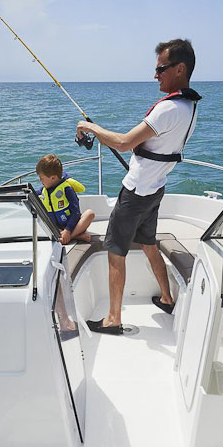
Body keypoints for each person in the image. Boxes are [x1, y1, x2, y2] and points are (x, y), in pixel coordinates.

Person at [76, 39, 201, 335]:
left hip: (135, 193)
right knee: (148, 243)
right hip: (155, 189)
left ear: (180, 69)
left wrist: (89, 126)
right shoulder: (189, 107)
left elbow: (123, 142)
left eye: (161, 68)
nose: (155, 75)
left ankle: (113, 319)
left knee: (115, 252)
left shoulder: (167, 109)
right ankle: (167, 297)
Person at [35, 154, 95, 244]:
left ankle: (69, 237)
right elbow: (33, 194)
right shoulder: (44, 190)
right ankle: (76, 236)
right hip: (57, 227)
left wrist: (68, 230)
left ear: (53, 178)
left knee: (90, 214)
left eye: (42, 178)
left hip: (73, 225)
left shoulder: (67, 189)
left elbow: (76, 212)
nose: (40, 180)